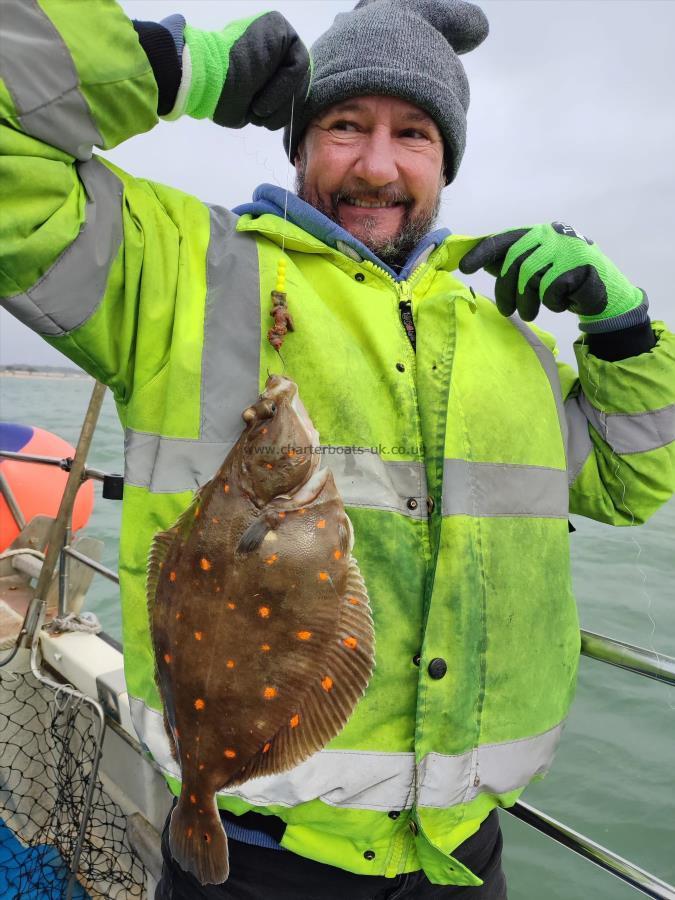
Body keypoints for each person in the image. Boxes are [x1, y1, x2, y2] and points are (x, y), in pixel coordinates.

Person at [1, 0, 673, 897]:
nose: (376, 164)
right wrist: (159, 65)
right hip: (258, 858)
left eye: (414, 133)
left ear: (448, 158)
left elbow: (629, 485)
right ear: (297, 141)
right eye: (344, 125)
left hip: (464, 857)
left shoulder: (511, 338)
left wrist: (625, 338)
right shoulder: (172, 267)